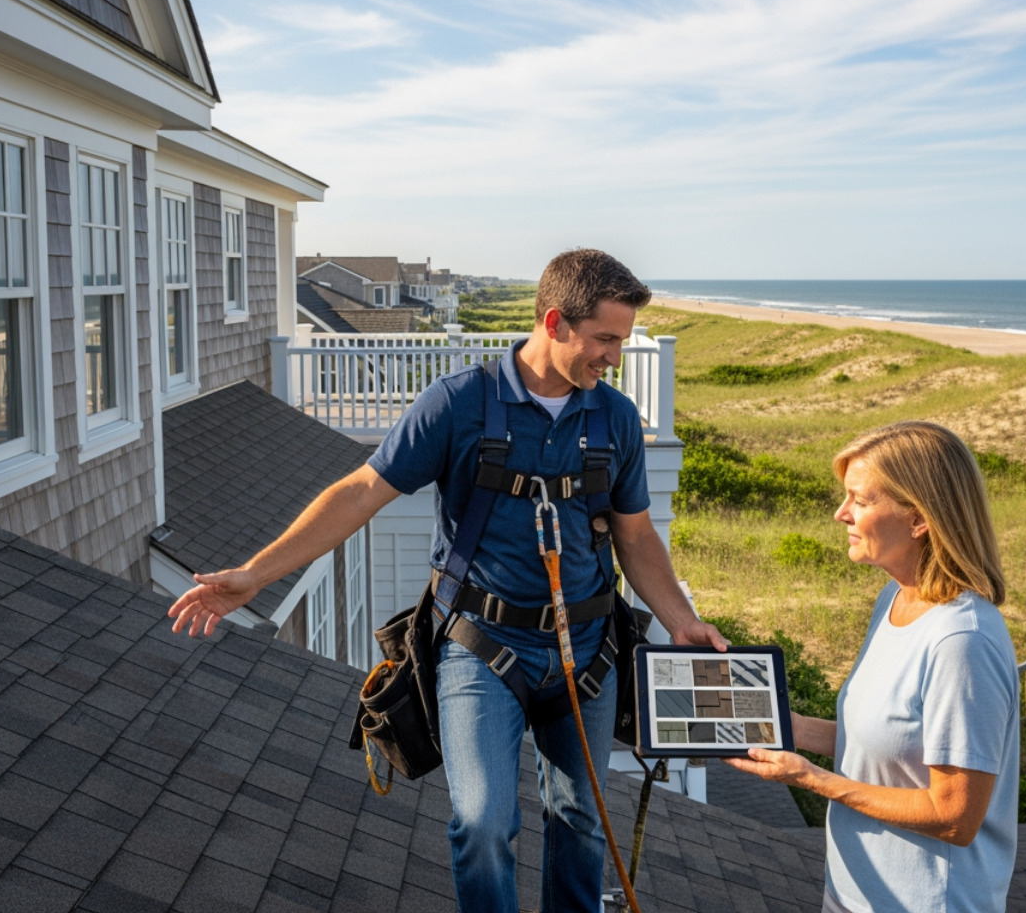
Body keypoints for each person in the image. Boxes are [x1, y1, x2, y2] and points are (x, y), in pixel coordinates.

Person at [167, 248, 726, 913]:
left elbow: (635, 536)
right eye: (605, 339)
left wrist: (682, 622)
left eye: (623, 342)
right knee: (482, 823)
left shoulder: (615, 419)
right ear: (555, 322)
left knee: (581, 821)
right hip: (481, 647)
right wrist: (255, 573)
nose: (615, 357)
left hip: (586, 651)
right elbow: (361, 491)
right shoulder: (459, 405)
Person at [725, 421, 1019, 913]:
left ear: (919, 519)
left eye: (860, 500)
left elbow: (953, 815)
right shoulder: (894, 600)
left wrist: (812, 780)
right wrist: (789, 729)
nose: (841, 513)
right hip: (854, 893)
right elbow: (889, 745)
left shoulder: (962, 641)